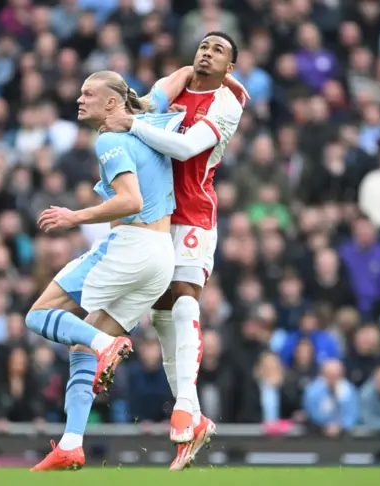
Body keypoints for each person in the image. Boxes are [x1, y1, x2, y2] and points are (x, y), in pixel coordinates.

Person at [27, 69, 189, 471]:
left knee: (38, 315)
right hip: (160, 258)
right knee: (81, 345)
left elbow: (131, 200)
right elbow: (178, 78)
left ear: (112, 103)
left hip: (130, 246)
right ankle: (71, 443)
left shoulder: (111, 138)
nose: (79, 99)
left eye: (88, 93)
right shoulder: (149, 116)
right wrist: (215, 77)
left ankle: (107, 346)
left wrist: (74, 216)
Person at [101, 31, 245, 470]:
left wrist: (134, 124)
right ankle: (194, 417)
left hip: (195, 214)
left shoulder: (229, 101)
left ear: (229, 67)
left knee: (184, 305)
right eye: (203, 45)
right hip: (156, 213)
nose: (207, 52)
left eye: (218, 50)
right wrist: (129, 106)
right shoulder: (179, 81)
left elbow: (185, 147)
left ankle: (186, 406)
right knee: (163, 317)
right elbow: (145, 104)